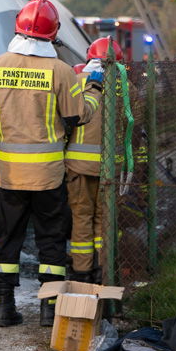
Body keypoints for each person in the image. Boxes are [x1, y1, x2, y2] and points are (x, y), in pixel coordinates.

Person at [0, 0, 103, 328]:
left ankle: (4, 308)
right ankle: (49, 309)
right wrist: (94, 90)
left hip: (10, 177)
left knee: (8, 240)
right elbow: (77, 117)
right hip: (48, 177)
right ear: (52, 33)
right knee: (51, 241)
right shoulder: (59, 70)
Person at [65, 37, 121, 284]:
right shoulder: (126, 89)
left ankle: (81, 272)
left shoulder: (76, 82)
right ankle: (103, 270)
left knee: (81, 219)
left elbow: (66, 123)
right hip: (110, 169)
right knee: (104, 221)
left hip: (77, 167)